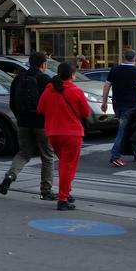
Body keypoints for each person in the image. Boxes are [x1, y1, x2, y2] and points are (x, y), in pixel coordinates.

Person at [0, 52, 56, 200]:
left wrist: (20, 117)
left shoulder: (18, 78)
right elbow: (50, 103)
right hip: (41, 123)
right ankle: (46, 190)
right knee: (47, 157)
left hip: (23, 122)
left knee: (23, 153)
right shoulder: (45, 79)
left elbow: (12, 102)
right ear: (43, 64)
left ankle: (10, 176)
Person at [37, 61, 90, 211]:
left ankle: (65, 192)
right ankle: (63, 198)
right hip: (72, 134)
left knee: (64, 165)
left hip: (53, 133)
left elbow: (40, 109)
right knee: (68, 167)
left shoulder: (49, 90)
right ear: (73, 75)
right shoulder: (76, 91)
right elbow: (86, 112)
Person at [101, 50, 136, 167]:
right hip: (131, 105)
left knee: (130, 129)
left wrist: (104, 102)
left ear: (123, 58)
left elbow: (107, 85)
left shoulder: (115, 70)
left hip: (117, 105)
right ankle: (115, 155)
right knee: (123, 131)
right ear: (135, 59)